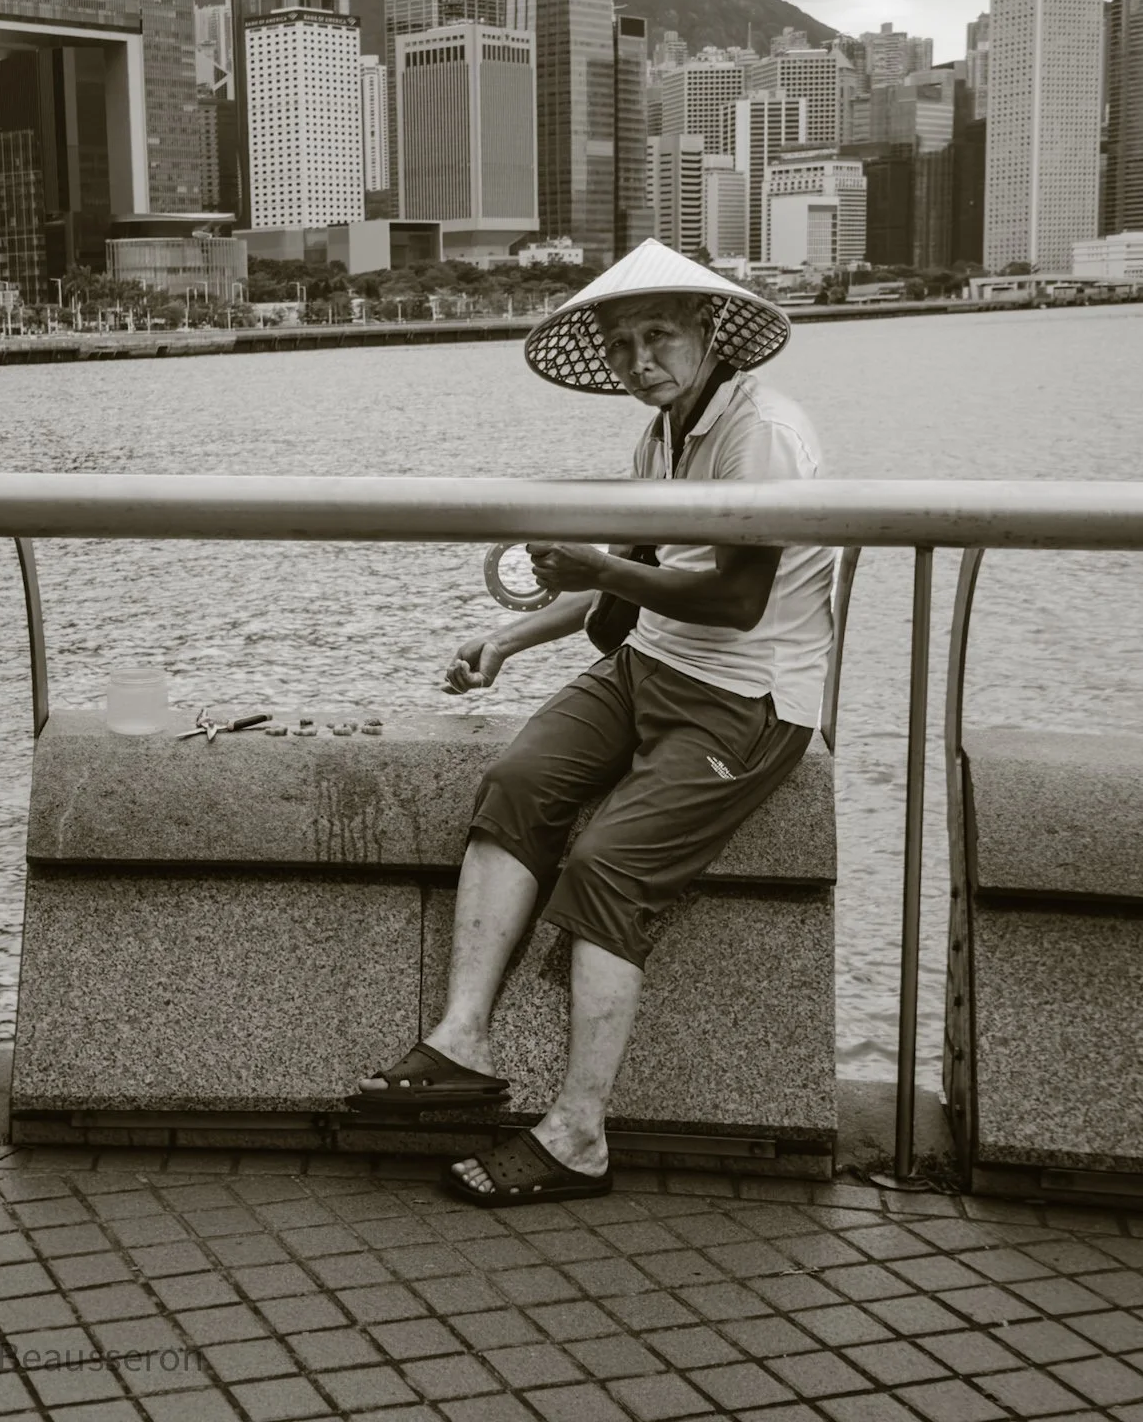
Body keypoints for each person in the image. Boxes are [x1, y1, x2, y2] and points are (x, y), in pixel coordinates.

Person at [346, 241, 834, 1207]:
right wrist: (510, 638)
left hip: (748, 694)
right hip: (650, 660)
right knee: (519, 782)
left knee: (608, 864)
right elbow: (629, 572)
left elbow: (734, 598)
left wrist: (603, 571)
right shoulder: (662, 435)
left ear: (708, 332)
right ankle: (462, 1039)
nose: (640, 359)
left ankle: (577, 1134)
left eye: (659, 336)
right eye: (621, 346)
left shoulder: (761, 432)